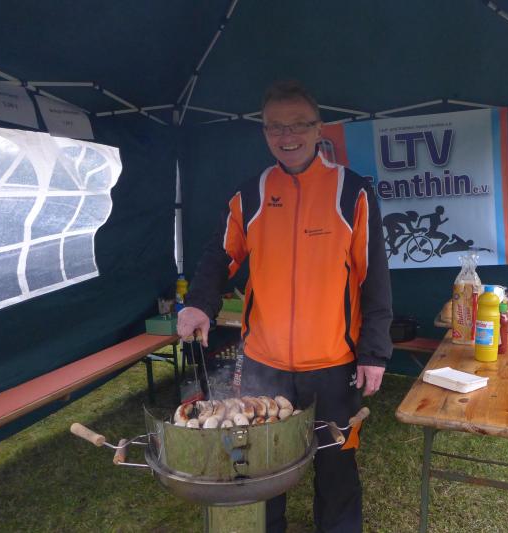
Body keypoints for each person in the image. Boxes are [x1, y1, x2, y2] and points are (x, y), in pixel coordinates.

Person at [177, 79, 392, 533]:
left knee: (337, 461)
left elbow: (374, 277)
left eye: (298, 125)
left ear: (319, 129)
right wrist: (198, 305)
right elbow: (218, 256)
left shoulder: (352, 192)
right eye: (275, 126)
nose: (287, 136)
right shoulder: (250, 194)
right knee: (262, 463)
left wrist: (373, 353)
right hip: (264, 363)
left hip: (334, 363)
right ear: (264, 132)